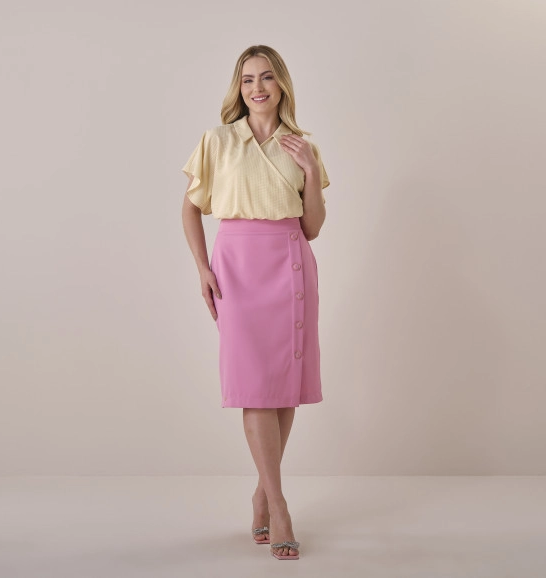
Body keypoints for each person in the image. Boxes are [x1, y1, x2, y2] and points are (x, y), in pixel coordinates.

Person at [181, 45, 330, 561]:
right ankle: (280, 503)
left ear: (281, 83)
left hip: (289, 262)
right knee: (255, 387)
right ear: (238, 87)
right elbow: (191, 209)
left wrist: (310, 169)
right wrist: (203, 268)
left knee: (283, 388)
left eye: (266, 78)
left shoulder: (303, 146)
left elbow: (313, 227)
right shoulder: (218, 140)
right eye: (247, 80)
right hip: (238, 269)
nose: (257, 88)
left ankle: (263, 494)